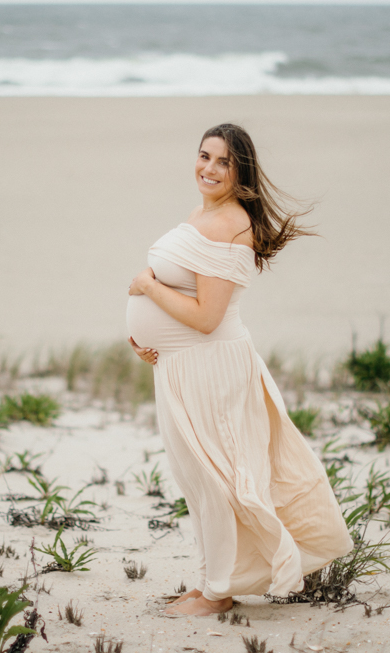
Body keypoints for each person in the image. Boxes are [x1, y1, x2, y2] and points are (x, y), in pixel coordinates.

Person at [125, 123, 353, 617]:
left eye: (222, 162)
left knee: (217, 479)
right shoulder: (203, 213)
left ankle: (219, 592)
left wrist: (146, 287)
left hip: (212, 367)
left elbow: (207, 319)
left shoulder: (231, 226)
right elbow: (189, 298)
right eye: (204, 156)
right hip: (180, 365)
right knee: (194, 478)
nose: (208, 168)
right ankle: (209, 580)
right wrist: (147, 339)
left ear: (240, 171)